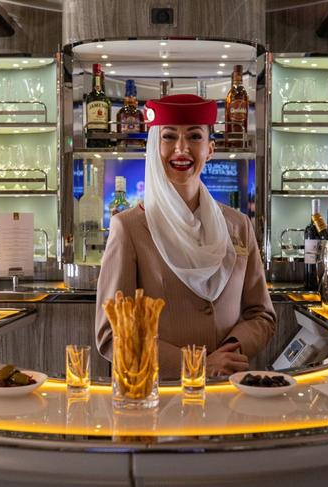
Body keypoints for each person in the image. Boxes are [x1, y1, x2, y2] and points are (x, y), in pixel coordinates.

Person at [95, 94, 276, 379]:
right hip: (161, 394)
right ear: (154, 148)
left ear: (210, 149)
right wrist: (199, 364)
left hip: (227, 391)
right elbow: (112, 335)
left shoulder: (239, 225)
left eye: (194, 136)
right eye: (169, 137)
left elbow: (261, 314)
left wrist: (231, 349)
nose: (181, 148)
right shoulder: (128, 228)